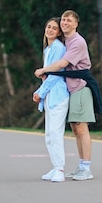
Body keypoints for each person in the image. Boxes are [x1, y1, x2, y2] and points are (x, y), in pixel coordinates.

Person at [34, 10, 95, 181]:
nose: (65, 22)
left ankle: (85, 168)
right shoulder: (63, 43)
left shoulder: (76, 42)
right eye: (63, 20)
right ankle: (73, 167)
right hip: (69, 88)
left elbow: (61, 65)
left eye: (69, 20)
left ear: (76, 23)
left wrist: (43, 71)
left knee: (81, 129)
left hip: (80, 88)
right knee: (75, 129)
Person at [33, 17, 69, 183]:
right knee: (49, 135)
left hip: (58, 96)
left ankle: (60, 170)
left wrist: (40, 91)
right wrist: (42, 92)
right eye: (48, 27)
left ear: (59, 32)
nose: (50, 30)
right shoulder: (48, 49)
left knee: (55, 133)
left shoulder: (58, 48)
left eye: (54, 28)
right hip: (50, 96)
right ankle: (55, 167)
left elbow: (56, 74)